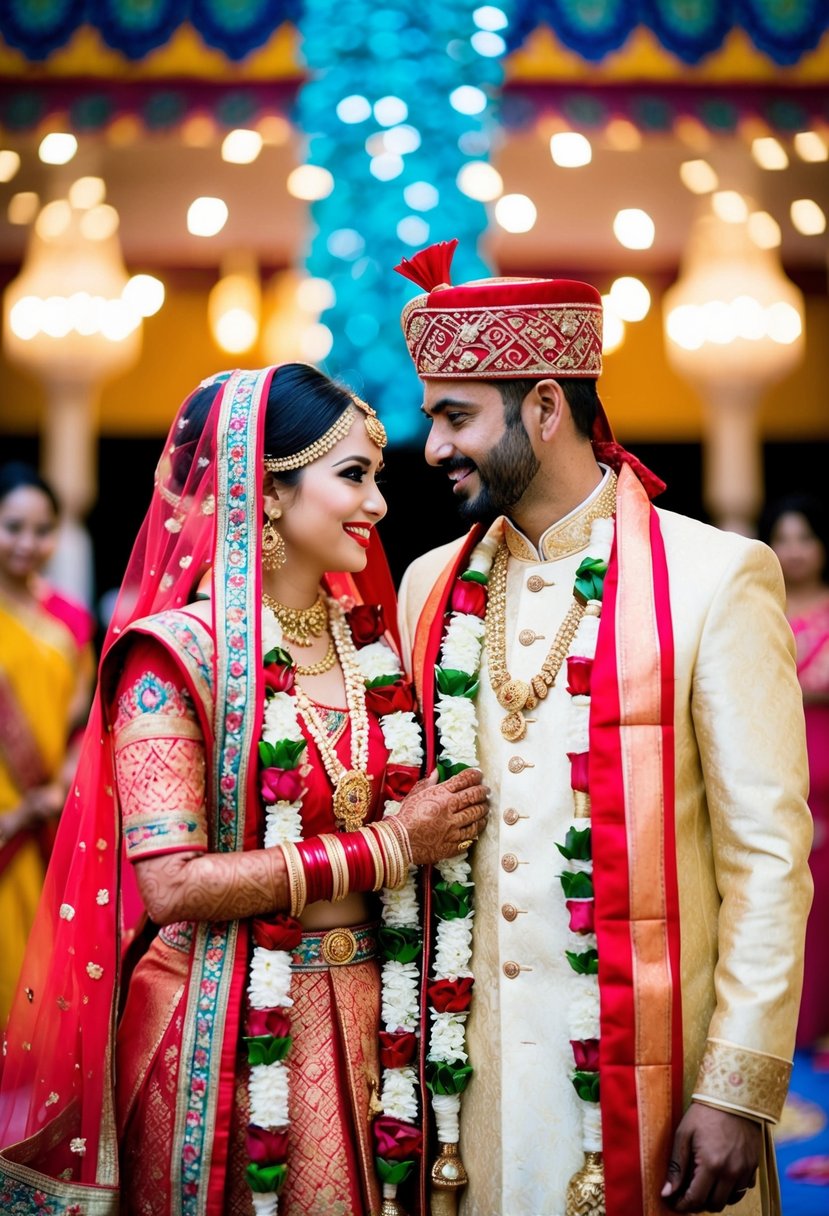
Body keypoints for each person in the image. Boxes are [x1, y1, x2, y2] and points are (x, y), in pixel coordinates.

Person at [0, 364, 488, 1215]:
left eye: (375, 477)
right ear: (265, 491)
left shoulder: (376, 645)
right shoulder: (174, 657)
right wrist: (390, 847)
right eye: (352, 477)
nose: (378, 504)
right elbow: (173, 882)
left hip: (378, 1017)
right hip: (224, 1028)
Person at [393, 241, 812, 1216]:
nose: (434, 449)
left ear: (544, 407)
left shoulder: (715, 575)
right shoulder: (428, 586)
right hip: (471, 1091)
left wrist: (735, 1085)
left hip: (656, 1079)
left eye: (457, 417)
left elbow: (765, 851)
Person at [0, 461, 95, 1024]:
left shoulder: (68, 620)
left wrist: (56, 787)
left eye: (42, 530)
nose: (27, 544)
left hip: (45, 824)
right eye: (13, 527)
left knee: (34, 995)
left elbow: (81, 724)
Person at [760, 493, 829, 1058]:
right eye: (784, 538)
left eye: (805, 537)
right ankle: (788, 1038)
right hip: (777, 763)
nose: (795, 550)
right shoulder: (760, 605)